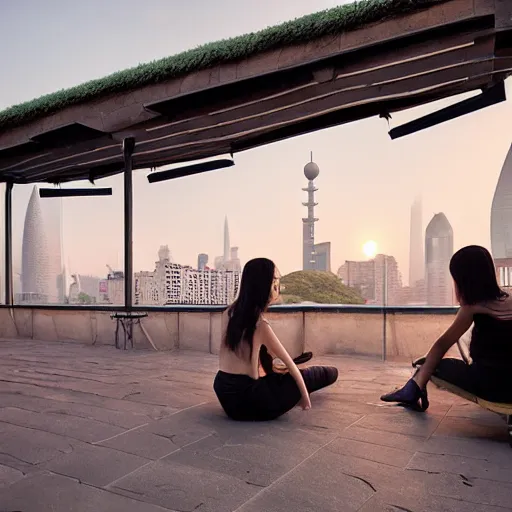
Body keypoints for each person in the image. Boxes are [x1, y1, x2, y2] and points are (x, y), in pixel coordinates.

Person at [381, 245, 512, 412]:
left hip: (491, 389)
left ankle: (412, 391)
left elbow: (442, 344)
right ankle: (412, 388)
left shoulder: (472, 308)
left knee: (434, 364)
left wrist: (426, 361)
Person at [213, 257, 338, 421]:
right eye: (276, 281)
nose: (278, 287)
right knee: (322, 374)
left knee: (276, 375)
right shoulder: (260, 325)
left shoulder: (227, 313)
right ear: (266, 285)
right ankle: (326, 375)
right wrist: (305, 399)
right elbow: (290, 364)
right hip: (249, 400)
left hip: (225, 394)